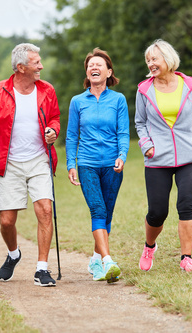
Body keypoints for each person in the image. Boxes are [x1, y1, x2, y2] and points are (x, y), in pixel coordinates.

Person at [0, 43, 60, 287]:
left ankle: (41, 269)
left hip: (38, 160)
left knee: (45, 209)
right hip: (8, 162)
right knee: (7, 222)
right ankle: (14, 254)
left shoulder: (47, 90)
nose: (41, 66)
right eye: (36, 63)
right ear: (21, 67)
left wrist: (53, 131)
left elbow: (54, 118)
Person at [135, 39, 192, 272]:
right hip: (157, 158)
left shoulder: (190, 86)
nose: (151, 64)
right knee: (157, 212)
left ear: (168, 58)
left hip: (189, 156)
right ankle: (149, 246)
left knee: (187, 204)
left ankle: (186, 258)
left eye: (154, 59)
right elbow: (140, 121)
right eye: (148, 60)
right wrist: (147, 145)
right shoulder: (144, 90)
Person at [66, 48, 129, 283]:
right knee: (98, 210)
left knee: (107, 213)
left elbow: (123, 132)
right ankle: (108, 261)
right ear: (87, 72)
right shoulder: (77, 101)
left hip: (113, 164)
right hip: (87, 163)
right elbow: (72, 135)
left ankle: (95, 258)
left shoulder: (118, 100)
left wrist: (122, 155)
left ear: (108, 72)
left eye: (99, 65)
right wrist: (70, 163)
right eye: (90, 65)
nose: (94, 67)